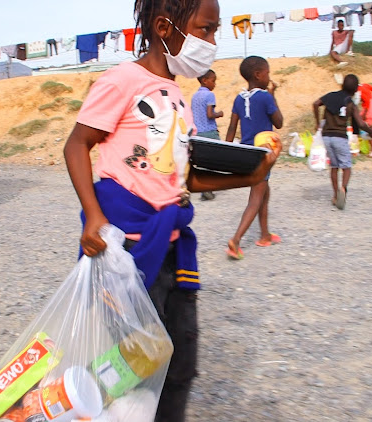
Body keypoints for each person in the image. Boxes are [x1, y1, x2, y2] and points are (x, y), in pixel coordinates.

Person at [62, 0, 281, 420]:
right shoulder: (122, 81)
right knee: (134, 368)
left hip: (174, 249)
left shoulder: (177, 97)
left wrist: (253, 175)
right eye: (206, 29)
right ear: (165, 27)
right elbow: (76, 144)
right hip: (129, 254)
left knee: (180, 365)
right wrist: (92, 215)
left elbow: (187, 177)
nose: (213, 42)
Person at [224, 56, 284, 260]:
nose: (269, 77)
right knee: (256, 198)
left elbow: (232, 128)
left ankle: (265, 235)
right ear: (258, 75)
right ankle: (236, 240)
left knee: (264, 193)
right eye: (267, 73)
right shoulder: (265, 97)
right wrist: (272, 96)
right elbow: (279, 122)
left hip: (246, 153)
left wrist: (226, 152)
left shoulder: (239, 98)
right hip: (263, 154)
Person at [313, 74, 372, 210]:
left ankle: (336, 195)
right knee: (346, 167)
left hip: (326, 137)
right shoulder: (350, 103)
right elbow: (360, 123)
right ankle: (343, 189)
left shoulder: (330, 96)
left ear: (342, 85)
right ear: (355, 90)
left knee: (334, 167)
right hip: (340, 137)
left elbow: (315, 104)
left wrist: (318, 123)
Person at [191, 69, 224, 201]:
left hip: (198, 132)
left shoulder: (194, 96)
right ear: (205, 80)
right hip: (209, 132)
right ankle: (209, 188)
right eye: (213, 81)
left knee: (202, 162)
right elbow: (210, 114)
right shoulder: (209, 95)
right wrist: (219, 114)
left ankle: (204, 188)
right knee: (215, 161)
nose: (214, 84)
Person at [356, 82, 372, 157]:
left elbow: (366, 102)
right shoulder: (365, 85)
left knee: (367, 127)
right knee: (359, 120)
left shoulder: (358, 91)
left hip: (369, 107)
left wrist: (364, 115)